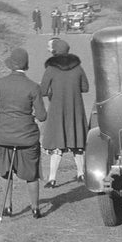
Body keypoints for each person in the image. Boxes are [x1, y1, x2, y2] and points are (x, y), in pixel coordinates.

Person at [0, 47, 47, 219]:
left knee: (6, 171)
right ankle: (35, 208)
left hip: (3, 136)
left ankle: (7, 207)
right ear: (26, 65)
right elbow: (42, 116)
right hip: (27, 137)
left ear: (11, 65)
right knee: (31, 174)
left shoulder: (0, 83)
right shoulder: (33, 87)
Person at [40, 38, 90, 187]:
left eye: (50, 47)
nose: (48, 49)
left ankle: (52, 178)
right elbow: (85, 88)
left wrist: (53, 92)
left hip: (57, 110)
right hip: (75, 109)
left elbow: (43, 91)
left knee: (57, 144)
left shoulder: (51, 69)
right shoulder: (78, 68)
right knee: (77, 143)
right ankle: (81, 173)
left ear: (55, 51)